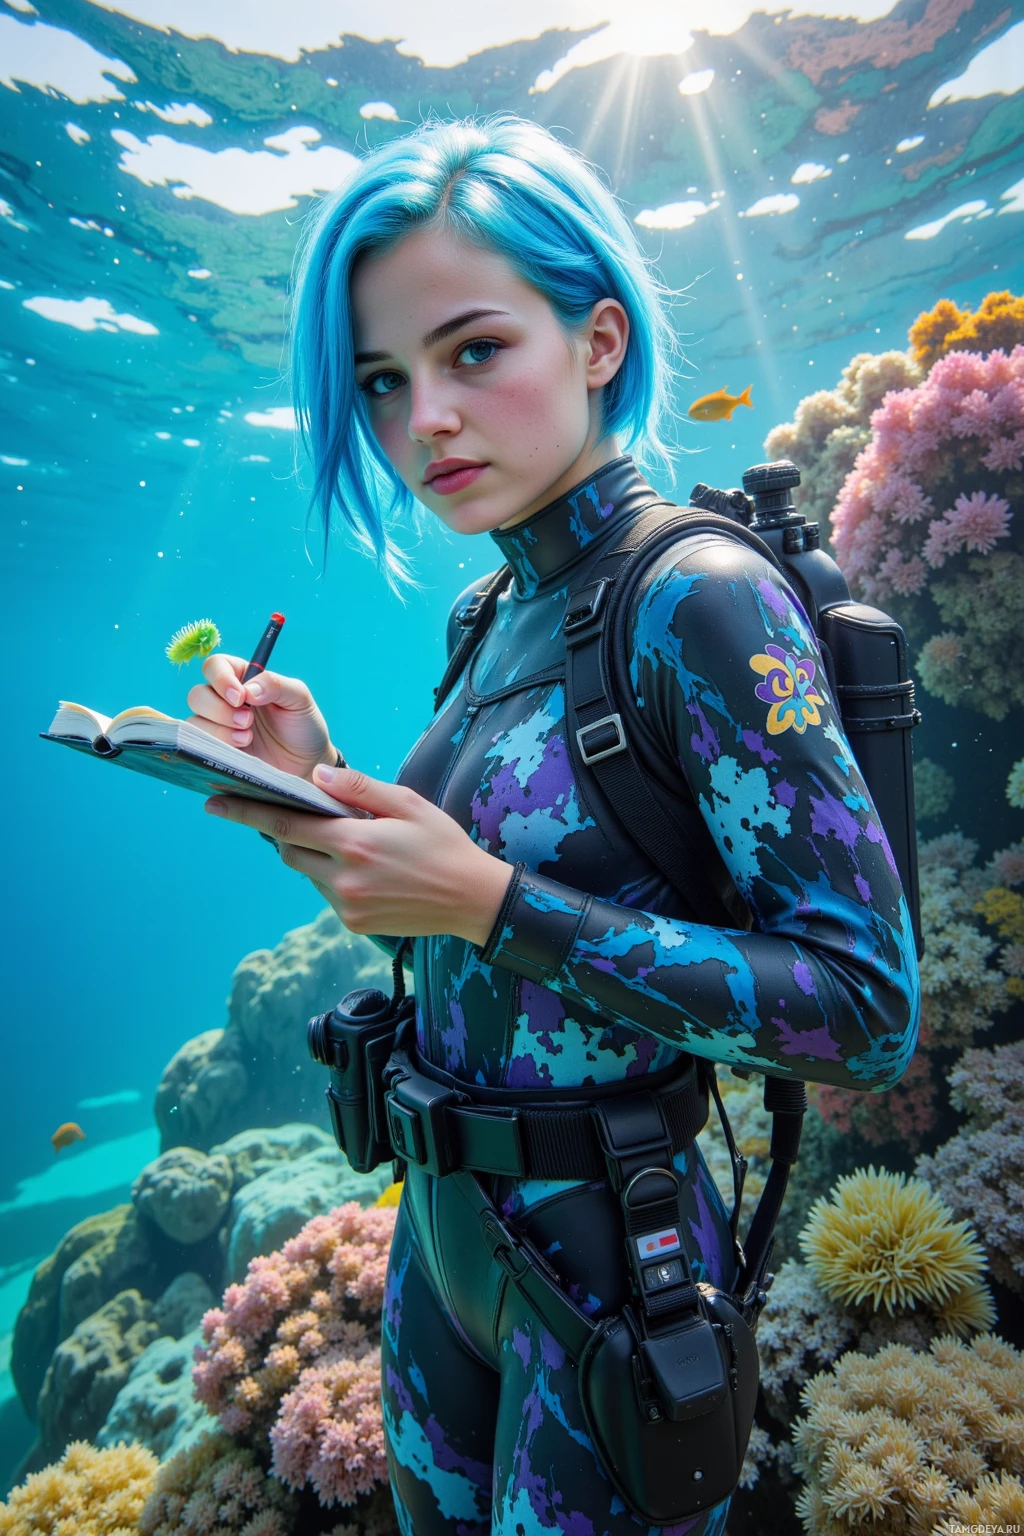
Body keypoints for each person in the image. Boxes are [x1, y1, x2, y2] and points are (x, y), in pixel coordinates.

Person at [189, 115, 921, 1536]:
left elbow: (867, 1008)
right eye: (382, 380)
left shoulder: (699, 600)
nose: (424, 420)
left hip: (609, 1263)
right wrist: (314, 783)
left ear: (599, 340)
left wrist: (489, 904)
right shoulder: (492, 609)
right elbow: (491, 900)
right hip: (441, 1239)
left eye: (473, 351)